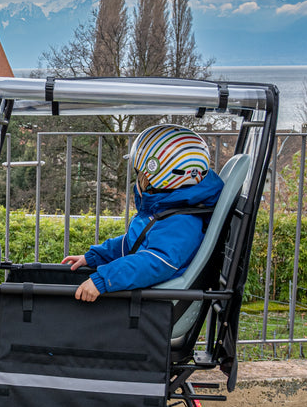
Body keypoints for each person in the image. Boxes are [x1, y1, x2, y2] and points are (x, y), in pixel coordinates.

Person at [62, 125, 224, 297]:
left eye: (139, 175)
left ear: (156, 180)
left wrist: (105, 279)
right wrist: (95, 257)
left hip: (152, 306)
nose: (136, 183)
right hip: (147, 299)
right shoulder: (168, 211)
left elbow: (155, 262)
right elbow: (133, 243)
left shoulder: (181, 221)